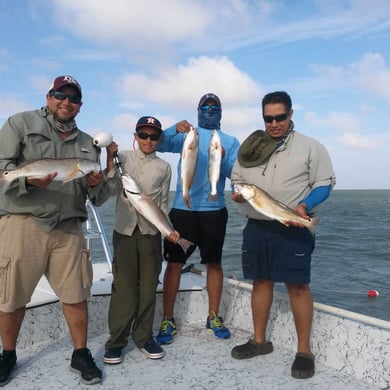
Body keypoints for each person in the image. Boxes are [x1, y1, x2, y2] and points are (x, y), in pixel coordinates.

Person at [0, 75, 111, 386]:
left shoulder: (89, 144)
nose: (67, 102)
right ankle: (8, 354)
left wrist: (98, 183)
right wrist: (27, 180)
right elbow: (2, 165)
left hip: (69, 229)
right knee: (11, 297)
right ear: (49, 96)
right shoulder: (19, 123)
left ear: (80, 106)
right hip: (24, 223)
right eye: (61, 95)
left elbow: (97, 198)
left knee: (76, 294)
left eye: (73, 98)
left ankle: (81, 353)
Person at [230, 91, 336, 379]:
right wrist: (238, 195)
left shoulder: (310, 147)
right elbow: (237, 181)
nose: (274, 123)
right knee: (261, 282)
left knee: (297, 286)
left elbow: (325, 183)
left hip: (293, 225)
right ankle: (259, 341)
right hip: (256, 225)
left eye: (279, 117)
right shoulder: (250, 147)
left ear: (291, 115)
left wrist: (306, 206)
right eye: (268, 118)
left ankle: (304, 351)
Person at [155, 93, 240, 344]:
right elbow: (159, 144)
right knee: (174, 264)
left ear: (221, 112)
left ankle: (213, 316)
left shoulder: (230, 141)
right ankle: (168, 318)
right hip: (183, 210)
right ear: (198, 110)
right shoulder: (186, 134)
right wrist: (173, 127)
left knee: (213, 264)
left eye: (215, 107)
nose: (210, 110)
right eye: (206, 106)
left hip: (214, 210)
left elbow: (234, 173)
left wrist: (222, 157)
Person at [102, 116, 180, 364]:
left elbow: (163, 205)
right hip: (124, 231)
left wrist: (170, 230)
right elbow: (110, 187)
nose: (148, 140)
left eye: (154, 136)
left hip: (151, 234)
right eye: (143, 135)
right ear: (135, 136)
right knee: (124, 287)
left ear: (159, 139)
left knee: (148, 288)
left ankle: (144, 337)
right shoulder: (122, 157)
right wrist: (109, 157)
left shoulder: (164, 167)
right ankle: (116, 341)